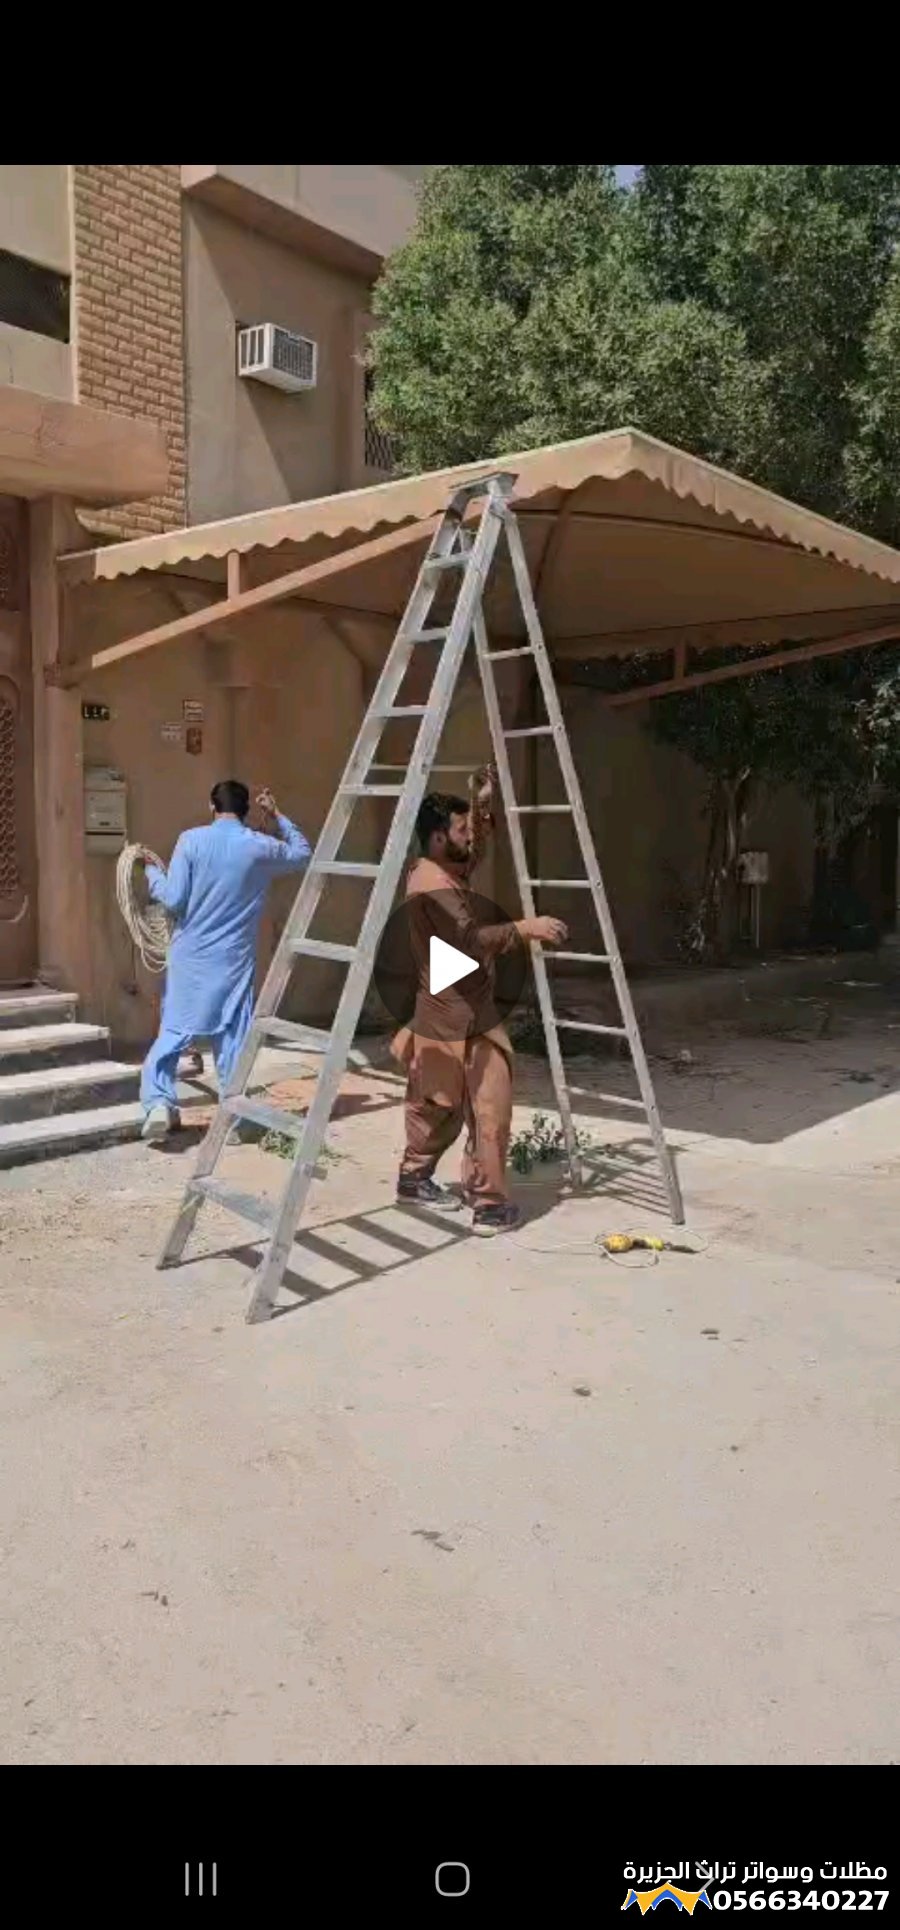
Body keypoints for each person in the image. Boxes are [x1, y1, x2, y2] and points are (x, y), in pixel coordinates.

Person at [393, 772, 568, 1234]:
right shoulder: (431, 885)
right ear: (438, 838)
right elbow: (469, 941)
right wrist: (525, 929)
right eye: (461, 830)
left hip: (458, 1008)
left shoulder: (436, 869)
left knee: (474, 1105)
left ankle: (473, 1197)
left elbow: (471, 856)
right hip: (452, 1012)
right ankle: (449, 1191)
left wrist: (480, 805)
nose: (469, 838)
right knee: (454, 1107)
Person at [140, 780, 310, 1140]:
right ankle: (234, 1119)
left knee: (174, 1031)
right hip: (233, 960)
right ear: (247, 809)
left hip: (189, 957)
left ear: (211, 806)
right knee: (232, 1036)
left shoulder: (191, 840)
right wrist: (276, 815)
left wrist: (152, 872)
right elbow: (302, 853)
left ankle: (158, 1104)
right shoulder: (259, 846)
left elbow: (173, 899)